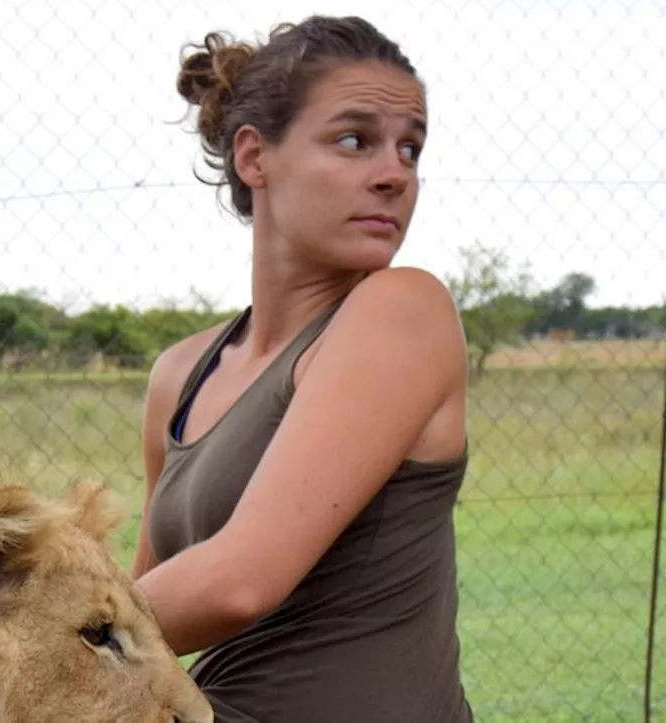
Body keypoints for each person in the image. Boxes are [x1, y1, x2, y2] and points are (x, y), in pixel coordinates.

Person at [130, 15, 474, 723]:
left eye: (411, 150)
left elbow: (237, 580)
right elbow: (148, 607)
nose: (394, 176)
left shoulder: (403, 310)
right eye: (355, 140)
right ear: (255, 158)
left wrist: (20, 638)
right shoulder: (180, 374)